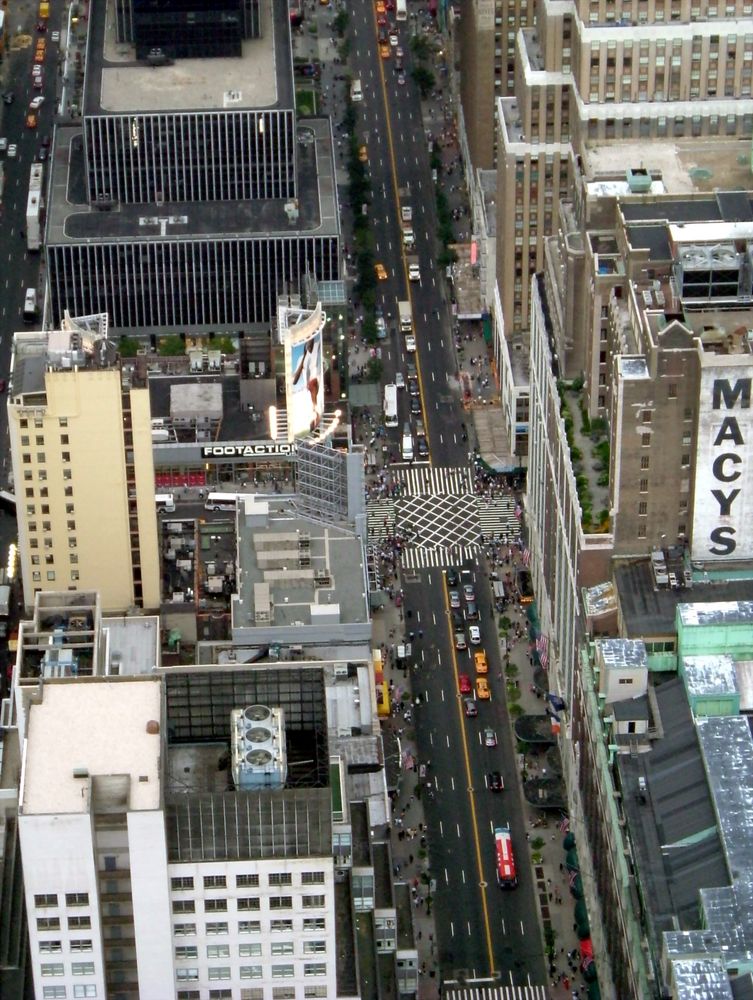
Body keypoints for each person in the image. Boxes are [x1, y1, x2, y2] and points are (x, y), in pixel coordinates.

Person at [292, 334, 322, 431]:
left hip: (316, 385)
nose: (309, 344)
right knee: (312, 408)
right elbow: (295, 380)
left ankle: (316, 424)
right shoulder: (302, 358)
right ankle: (313, 426)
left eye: (311, 340)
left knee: (316, 407)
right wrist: (304, 358)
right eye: (307, 342)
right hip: (308, 388)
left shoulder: (318, 349)